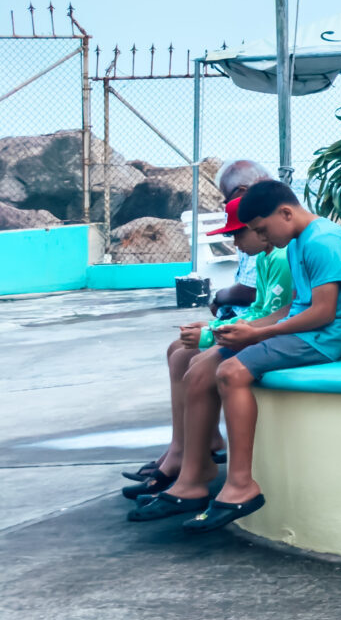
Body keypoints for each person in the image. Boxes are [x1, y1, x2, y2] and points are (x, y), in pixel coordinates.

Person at [131, 180, 341, 532]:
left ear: (285, 212)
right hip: (300, 331)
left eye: (262, 229)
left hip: (320, 339)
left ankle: (240, 485)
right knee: (202, 368)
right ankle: (194, 478)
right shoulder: (298, 241)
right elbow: (290, 309)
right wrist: (239, 331)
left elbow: (324, 312)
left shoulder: (324, 241)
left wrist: (259, 334)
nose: (261, 238)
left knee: (231, 372)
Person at [121, 199, 290, 501]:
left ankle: (195, 470)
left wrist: (211, 334)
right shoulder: (266, 258)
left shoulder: (277, 258)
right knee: (179, 353)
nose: (236, 242)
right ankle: (182, 450)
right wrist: (213, 327)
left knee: (198, 364)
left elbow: (273, 314)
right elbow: (259, 308)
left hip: (269, 337)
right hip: (256, 328)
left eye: (241, 234)